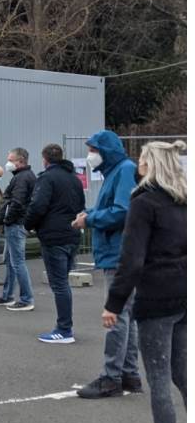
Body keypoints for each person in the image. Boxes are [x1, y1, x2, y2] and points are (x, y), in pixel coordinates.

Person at [102, 140, 186, 423]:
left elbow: (132, 259)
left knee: (158, 374)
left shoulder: (144, 202)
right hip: (184, 293)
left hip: (156, 296)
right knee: (183, 372)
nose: (138, 162)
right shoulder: (182, 201)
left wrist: (114, 303)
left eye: (142, 158)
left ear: (151, 164)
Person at [72, 130, 142, 398]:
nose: (90, 155)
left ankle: (111, 377)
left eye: (93, 149)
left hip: (118, 252)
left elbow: (123, 211)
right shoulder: (117, 170)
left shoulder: (123, 170)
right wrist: (89, 214)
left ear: (105, 150)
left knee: (116, 314)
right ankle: (128, 374)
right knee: (126, 315)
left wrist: (89, 220)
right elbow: (116, 207)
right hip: (118, 251)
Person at [24, 144, 86, 344]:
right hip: (72, 234)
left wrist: (28, 224)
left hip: (54, 236)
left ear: (45, 159)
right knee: (63, 282)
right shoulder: (74, 179)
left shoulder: (47, 178)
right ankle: (65, 326)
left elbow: (38, 205)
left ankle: (64, 329)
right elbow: (80, 204)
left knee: (59, 284)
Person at [0, 148, 36, 311]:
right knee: (11, 261)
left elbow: (17, 202)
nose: (8, 163)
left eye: (11, 159)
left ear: (20, 161)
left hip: (15, 224)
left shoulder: (22, 179)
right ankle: (8, 295)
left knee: (17, 262)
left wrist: (7, 219)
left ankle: (26, 299)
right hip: (16, 223)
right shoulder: (23, 176)